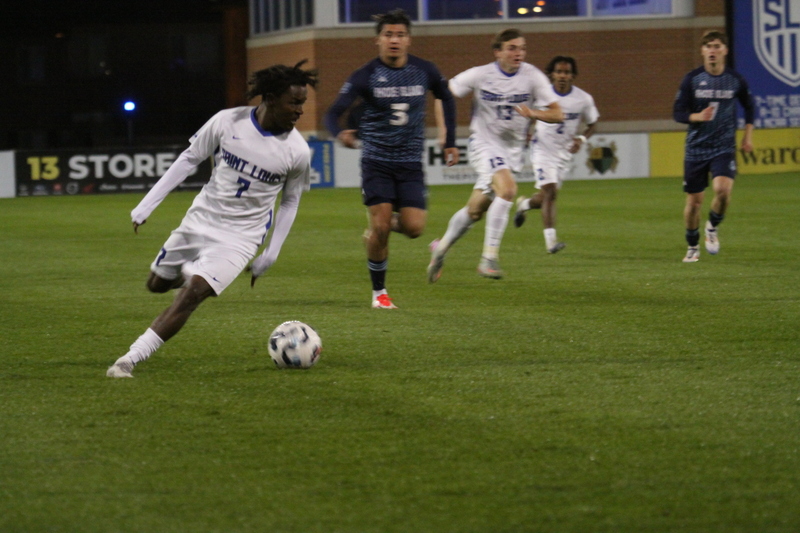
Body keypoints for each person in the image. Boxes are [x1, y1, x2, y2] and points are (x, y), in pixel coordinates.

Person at [107, 61, 318, 378]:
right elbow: (189, 158)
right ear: (271, 98)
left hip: (241, 238)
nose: (300, 110)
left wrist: (271, 253)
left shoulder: (297, 151)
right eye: (295, 102)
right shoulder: (227, 122)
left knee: (193, 294)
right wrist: (147, 205)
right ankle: (187, 271)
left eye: (303, 102)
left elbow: (290, 200)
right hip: (199, 221)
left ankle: (128, 360)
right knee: (156, 285)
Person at [324, 8, 459, 309]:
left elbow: (446, 96)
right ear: (378, 40)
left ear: (409, 39)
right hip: (376, 161)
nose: (394, 40)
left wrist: (449, 141)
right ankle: (379, 294)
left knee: (414, 229)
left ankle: (374, 232)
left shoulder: (424, 70)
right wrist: (340, 133)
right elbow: (332, 113)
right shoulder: (365, 75)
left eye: (400, 35)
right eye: (388, 35)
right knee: (383, 226)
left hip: (410, 163)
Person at [426, 28, 563, 283]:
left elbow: (558, 113)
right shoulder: (481, 74)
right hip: (484, 144)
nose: (518, 53)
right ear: (497, 52)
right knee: (509, 190)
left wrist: (534, 114)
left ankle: (441, 250)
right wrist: (447, 136)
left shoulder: (532, 77)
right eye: (511, 48)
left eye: (521, 48)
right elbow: (443, 94)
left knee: (475, 211)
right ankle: (488, 258)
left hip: (512, 152)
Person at [673, 30, 754, 263]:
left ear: (725, 50)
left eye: (716, 46)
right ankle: (692, 246)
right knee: (694, 202)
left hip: (723, 146)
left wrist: (748, 136)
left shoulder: (735, 80)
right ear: (702, 51)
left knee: (723, 190)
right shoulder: (692, 79)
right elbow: (678, 112)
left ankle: (712, 226)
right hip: (696, 148)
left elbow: (749, 107)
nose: (712, 50)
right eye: (708, 46)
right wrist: (697, 116)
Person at [513, 55, 599, 253]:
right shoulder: (540, 96)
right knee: (551, 192)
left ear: (573, 76)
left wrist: (581, 139)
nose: (562, 76)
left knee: (545, 197)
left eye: (567, 72)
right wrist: (525, 131)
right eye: (559, 72)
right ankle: (551, 242)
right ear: (551, 74)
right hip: (542, 149)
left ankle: (524, 204)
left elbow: (593, 123)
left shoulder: (583, 99)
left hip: (564, 154)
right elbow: (525, 114)